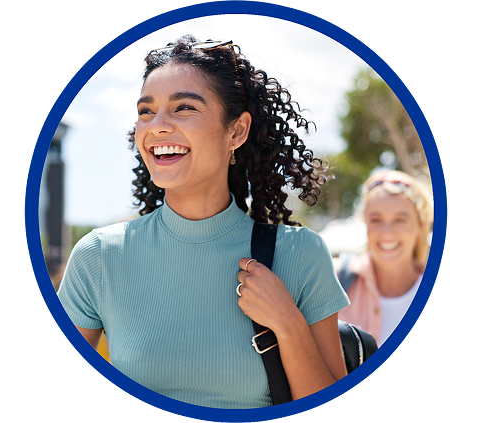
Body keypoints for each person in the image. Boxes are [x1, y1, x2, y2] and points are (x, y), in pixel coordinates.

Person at [57, 35, 350, 409]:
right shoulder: (99, 255)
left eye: (183, 108)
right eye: (146, 111)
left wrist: (288, 324)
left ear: (237, 131)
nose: (156, 126)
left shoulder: (301, 254)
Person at [336, 170, 433, 346]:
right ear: (365, 223)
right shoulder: (332, 280)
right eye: (376, 220)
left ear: (420, 225)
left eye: (400, 220)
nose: (387, 233)